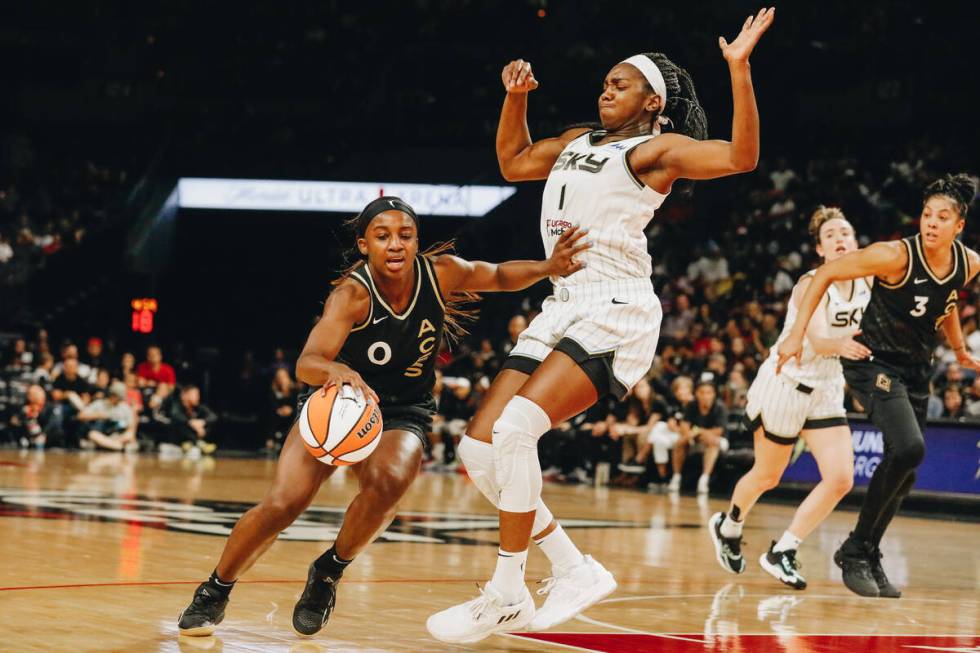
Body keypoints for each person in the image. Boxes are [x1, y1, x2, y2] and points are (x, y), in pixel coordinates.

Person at [428, 7, 774, 643]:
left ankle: (507, 589)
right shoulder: (576, 140)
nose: (606, 88)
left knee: (516, 429)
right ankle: (572, 568)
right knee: (478, 451)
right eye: (606, 81)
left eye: (621, 83)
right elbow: (512, 161)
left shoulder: (655, 151)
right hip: (564, 299)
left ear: (653, 102)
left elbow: (742, 156)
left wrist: (740, 69)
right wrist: (515, 99)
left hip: (616, 304)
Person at [177, 196, 589, 637]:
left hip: (402, 408)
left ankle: (328, 572)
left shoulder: (441, 273)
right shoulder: (351, 296)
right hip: (338, 403)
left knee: (390, 483)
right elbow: (307, 362)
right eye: (383, 236)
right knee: (283, 504)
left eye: (405, 235)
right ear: (363, 245)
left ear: (416, 242)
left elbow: (498, 274)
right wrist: (336, 369)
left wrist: (550, 267)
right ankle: (216, 589)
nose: (395, 244)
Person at [777, 173, 980, 598]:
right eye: (927, 214)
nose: (932, 223)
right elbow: (825, 273)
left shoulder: (969, 262)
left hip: (916, 369)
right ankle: (853, 549)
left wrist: (959, 350)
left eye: (943, 217)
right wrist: (797, 334)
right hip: (872, 363)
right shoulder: (894, 256)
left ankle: (868, 551)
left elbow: (948, 301)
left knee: (904, 472)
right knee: (909, 449)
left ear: (959, 226)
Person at [708, 207, 870, 590]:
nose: (839, 238)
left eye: (845, 231)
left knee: (841, 478)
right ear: (820, 249)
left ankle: (784, 550)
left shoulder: (869, 281)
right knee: (767, 475)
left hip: (827, 387)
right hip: (787, 384)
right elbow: (818, 341)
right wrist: (851, 345)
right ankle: (729, 526)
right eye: (830, 235)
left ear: (856, 241)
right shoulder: (808, 284)